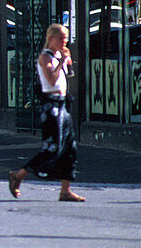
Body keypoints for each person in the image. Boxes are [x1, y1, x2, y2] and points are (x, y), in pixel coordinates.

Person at [8, 23, 84, 202]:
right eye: (61, 38)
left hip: (63, 102)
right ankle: (18, 175)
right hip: (51, 105)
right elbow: (51, 79)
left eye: (65, 39)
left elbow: (69, 74)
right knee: (52, 147)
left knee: (69, 147)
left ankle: (65, 190)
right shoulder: (45, 57)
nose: (64, 42)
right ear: (51, 39)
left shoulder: (59, 55)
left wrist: (67, 61)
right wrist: (60, 63)